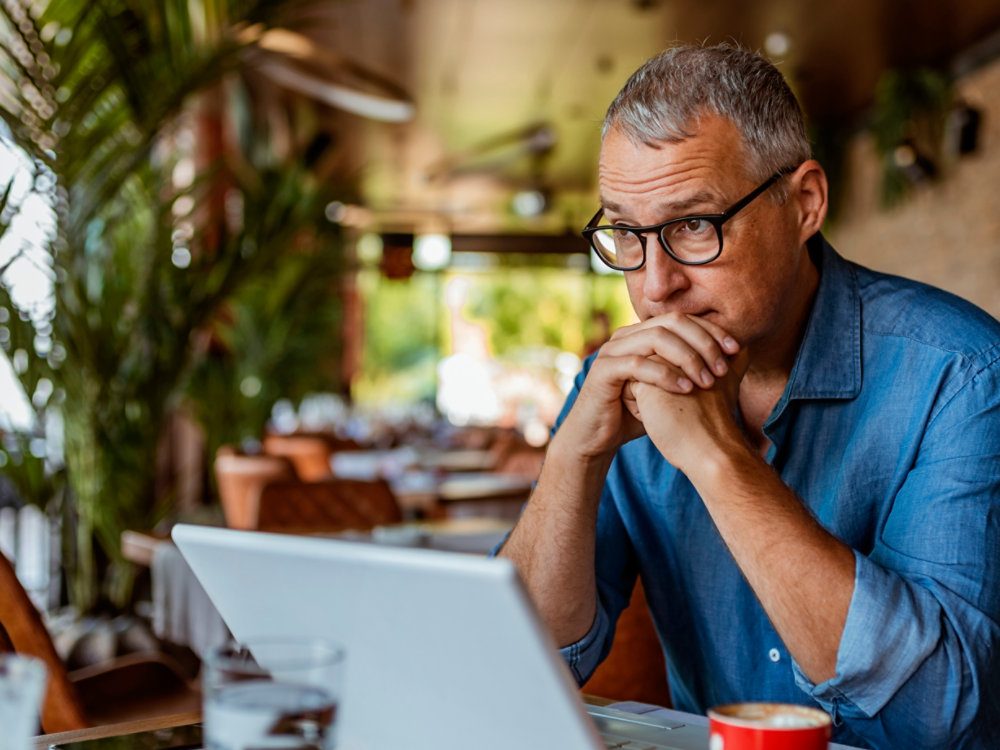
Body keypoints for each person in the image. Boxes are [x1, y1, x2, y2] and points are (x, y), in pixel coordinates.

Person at [498, 44, 1000, 749]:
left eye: (693, 226)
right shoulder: (616, 390)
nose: (654, 286)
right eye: (627, 234)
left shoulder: (962, 375)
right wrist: (571, 457)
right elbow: (517, 667)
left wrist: (718, 461)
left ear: (804, 203)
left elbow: (942, 716)